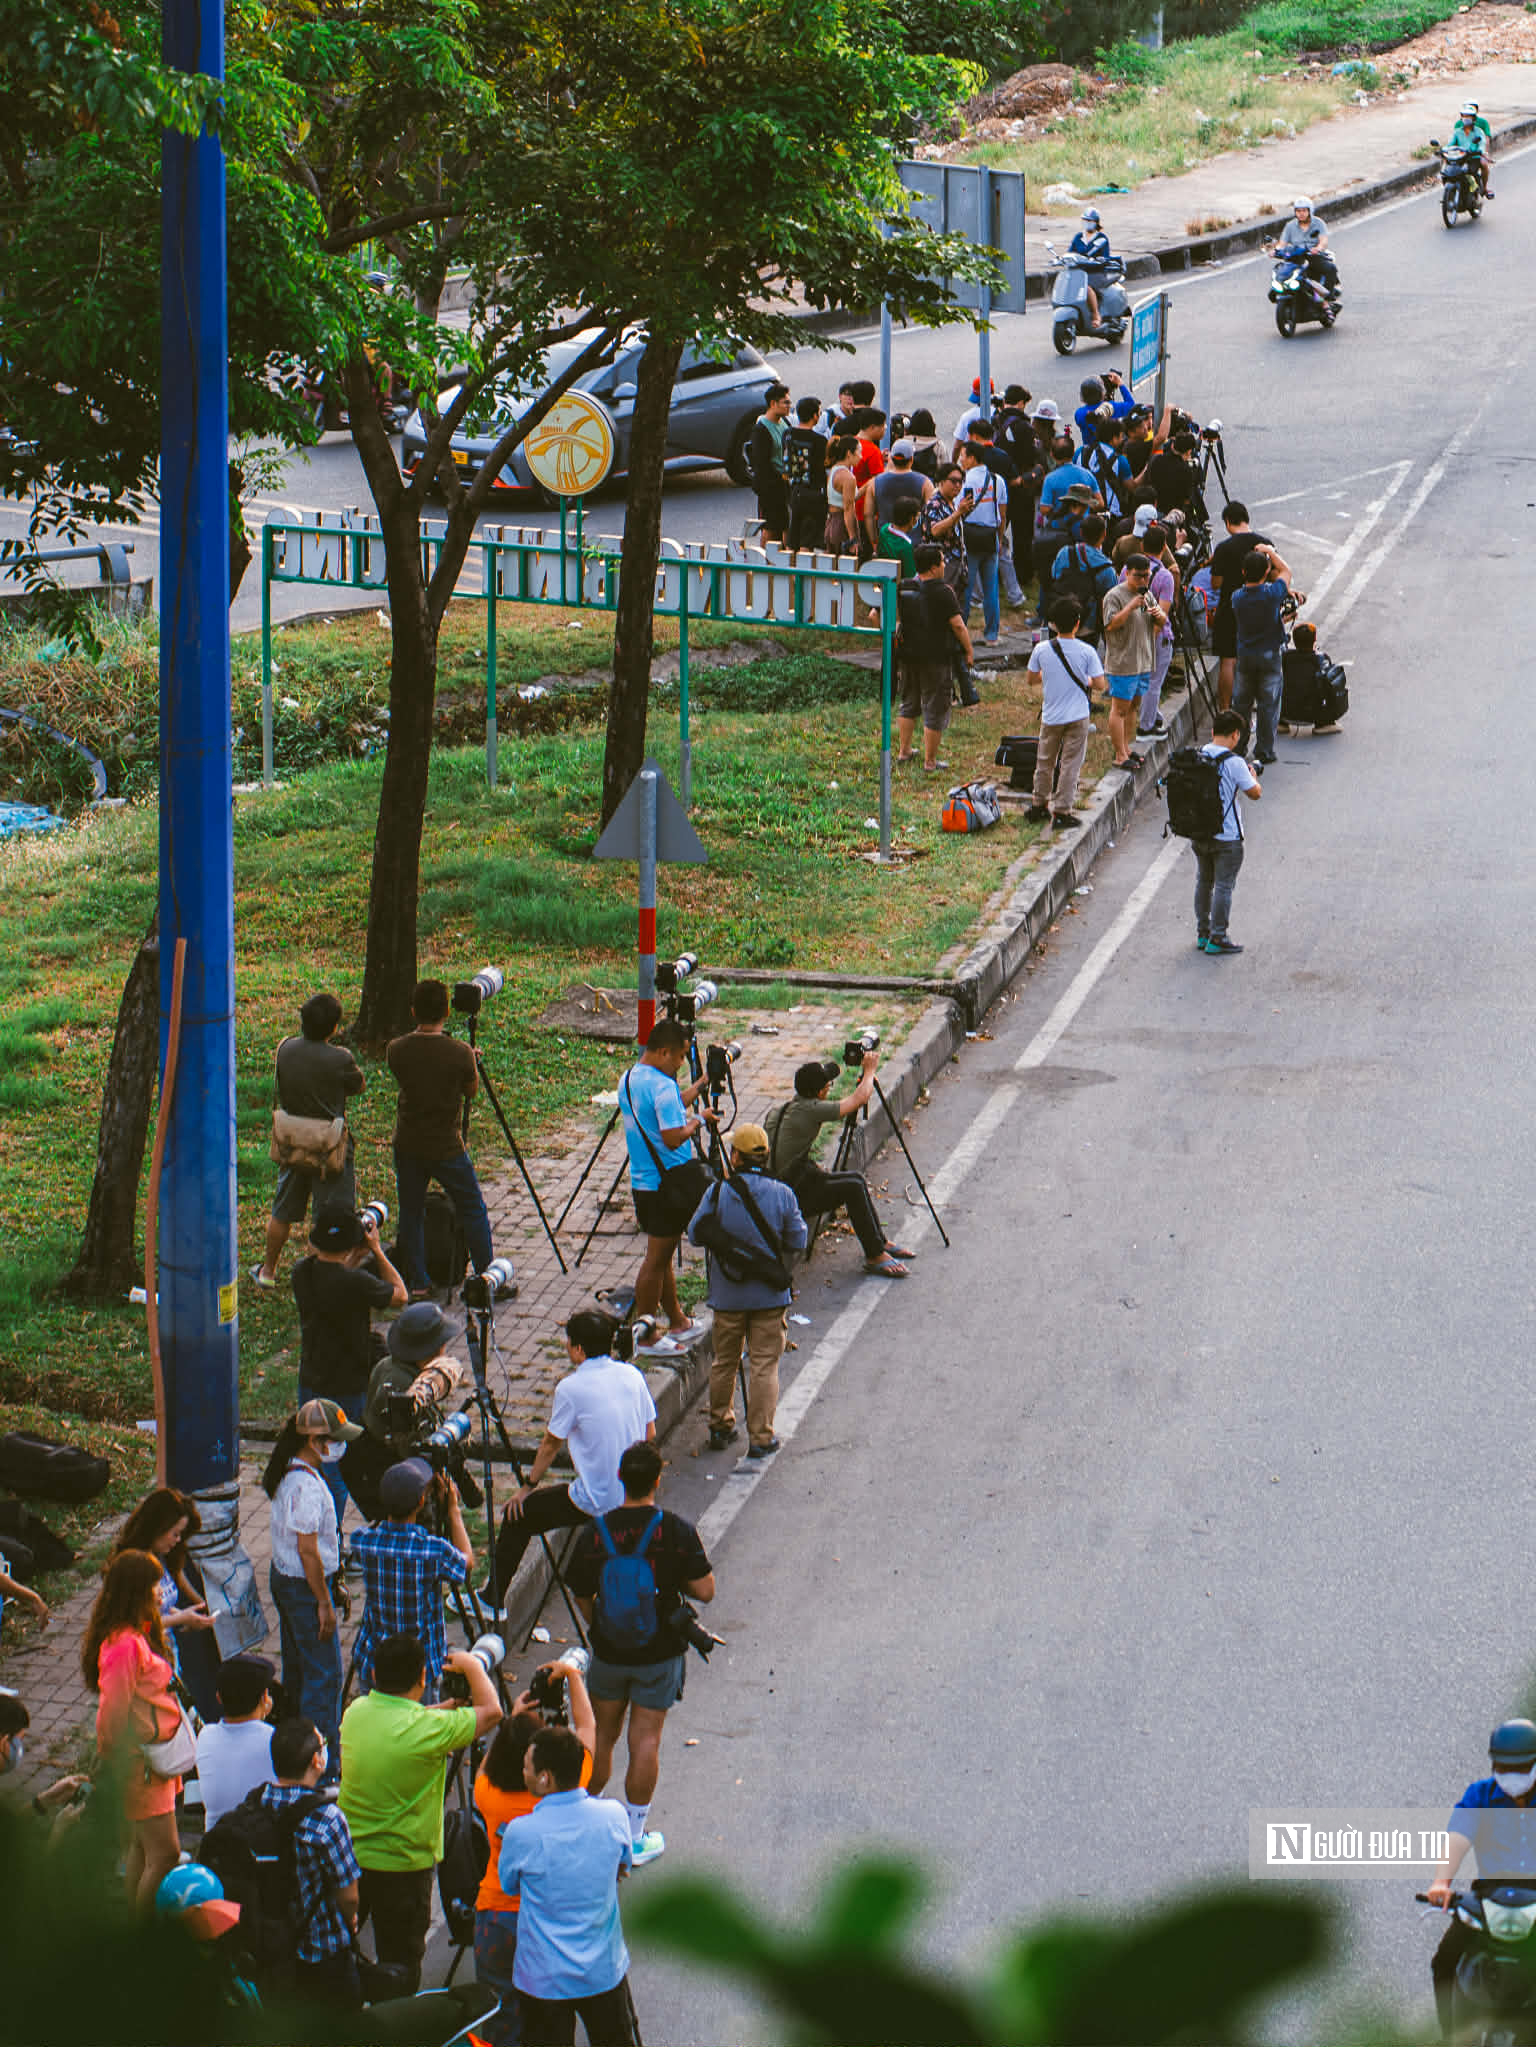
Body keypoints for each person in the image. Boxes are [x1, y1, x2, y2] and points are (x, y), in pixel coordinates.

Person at [565, 1442, 714, 1875]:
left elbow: (579, 1590)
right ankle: (633, 1836)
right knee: (645, 1740)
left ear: (619, 1478)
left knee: (602, 1736)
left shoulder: (596, 1532)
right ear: (657, 1480)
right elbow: (705, 1590)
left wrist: (599, 1626)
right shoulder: (676, 1530)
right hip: (660, 1655)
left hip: (609, 1655)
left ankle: (582, 1822)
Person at [339, 1630, 502, 1993]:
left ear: (375, 1676)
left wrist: (439, 1712)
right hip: (404, 1868)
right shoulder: (429, 1731)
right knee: (400, 1965)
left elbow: (400, 1724)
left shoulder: (356, 1712)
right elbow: (492, 1712)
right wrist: (474, 1666)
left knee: (342, 1957)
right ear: (423, 1677)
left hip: (352, 1862)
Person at [491, 1308, 657, 1601]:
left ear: (579, 1350)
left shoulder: (570, 1388)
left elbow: (551, 1444)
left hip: (598, 1498)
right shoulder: (632, 1374)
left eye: (568, 1342)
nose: (566, 1347)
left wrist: (528, 1486)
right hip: (635, 1493)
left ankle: (493, 1598)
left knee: (519, 1516)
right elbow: (650, 1435)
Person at [474, 1659, 598, 2047]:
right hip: (547, 1914)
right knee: (548, 2014)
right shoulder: (563, 1788)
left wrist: (512, 1723)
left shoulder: (487, 1794)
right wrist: (575, 1677)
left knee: (500, 2010)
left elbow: (486, 1766)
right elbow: (588, 1729)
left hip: (495, 1915)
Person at [498, 1725, 640, 2046]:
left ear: (545, 1777)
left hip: (544, 1978)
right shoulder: (614, 1815)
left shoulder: (522, 1832)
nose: (524, 1773)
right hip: (603, 1970)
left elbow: (509, 1885)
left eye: (527, 1767)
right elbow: (623, 1864)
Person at [688, 1125, 806, 1457]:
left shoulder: (717, 1193)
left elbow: (695, 1233)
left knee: (725, 1361)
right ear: (765, 1156)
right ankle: (761, 1437)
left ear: (735, 1156)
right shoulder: (783, 1194)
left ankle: (720, 1425)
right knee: (765, 1365)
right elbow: (798, 1240)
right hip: (770, 1295)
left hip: (727, 1298)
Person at [262, 1396, 363, 1768]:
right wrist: (323, 1601)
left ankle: (292, 1755)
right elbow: (308, 1552)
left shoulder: (291, 1470)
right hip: (304, 1588)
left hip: (287, 1581)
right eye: (334, 1439)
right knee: (325, 1679)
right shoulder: (305, 1487)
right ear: (314, 1441)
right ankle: (320, 1767)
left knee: (300, 1671)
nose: (339, 1446)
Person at [81, 1548, 186, 1906]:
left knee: (144, 1850)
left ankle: (134, 1920)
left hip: (150, 1762)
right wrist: (117, 1760)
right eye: (155, 1585)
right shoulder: (124, 1646)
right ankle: (141, 1937)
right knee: (166, 1855)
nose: (161, 1591)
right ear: (136, 1590)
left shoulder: (135, 1633)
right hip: (140, 1767)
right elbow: (112, 1714)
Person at [290, 1202, 406, 1517]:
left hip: (310, 1382)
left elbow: (336, 1273)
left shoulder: (301, 1273)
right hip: (348, 1386)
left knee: (316, 1459)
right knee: (340, 1470)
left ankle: (317, 1530)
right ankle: (333, 1537)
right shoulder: (356, 1284)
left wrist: (352, 1252)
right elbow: (400, 1294)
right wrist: (376, 1250)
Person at [1427, 1720, 1536, 2038]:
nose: (1512, 1774)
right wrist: (1440, 1883)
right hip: (1490, 1898)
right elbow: (1458, 1838)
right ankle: (1449, 2037)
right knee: (1443, 1962)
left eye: (1522, 1766)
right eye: (1503, 1766)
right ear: (1493, 1763)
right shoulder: (1480, 1796)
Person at [387, 977, 495, 1299]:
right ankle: (486, 1276)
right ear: (447, 1011)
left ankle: (418, 1281)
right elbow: (471, 1091)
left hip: (408, 1142)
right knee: (472, 1206)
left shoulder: (397, 1049)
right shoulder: (460, 1052)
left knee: (411, 1211)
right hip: (446, 1144)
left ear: (412, 1011)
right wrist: (471, 1065)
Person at [252, 992, 366, 1290]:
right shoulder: (341, 1058)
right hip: (329, 1146)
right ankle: (321, 1281)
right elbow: (358, 1085)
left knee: (282, 1210)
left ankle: (268, 1271)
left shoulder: (285, 1049)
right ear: (333, 1028)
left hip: (293, 1141)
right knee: (329, 1214)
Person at [764, 1058, 914, 1278]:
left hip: (782, 1185)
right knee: (851, 1189)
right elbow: (859, 1099)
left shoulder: (781, 1109)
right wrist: (870, 1070)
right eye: (827, 1087)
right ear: (819, 1093)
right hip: (788, 1198)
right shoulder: (811, 1110)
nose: (829, 1090)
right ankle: (874, 1255)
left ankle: (879, 1242)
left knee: (855, 1178)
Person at [617, 1019, 717, 1343]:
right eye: (679, 1058)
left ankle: (677, 1320)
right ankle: (646, 1336)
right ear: (663, 1052)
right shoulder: (663, 1085)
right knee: (655, 1261)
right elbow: (673, 1136)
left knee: (663, 1256)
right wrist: (699, 1120)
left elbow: (669, 1108)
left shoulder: (631, 1077)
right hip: (667, 1186)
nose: (680, 1064)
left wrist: (701, 1084)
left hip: (645, 1183)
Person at [257, 1716, 363, 2008]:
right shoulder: (327, 1819)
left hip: (273, 1948)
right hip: (322, 1952)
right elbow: (349, 1896)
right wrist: (350, 1918)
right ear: (317, 1761)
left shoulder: (257, 1802)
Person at [351, 1455, 474, 1697]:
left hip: (375, 1660)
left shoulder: (362, 1541)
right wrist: (453, 1510)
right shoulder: (433, 1551)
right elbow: (466, 1563)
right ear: (421, 1502)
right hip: (419, 1669)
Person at [112, 1488, 219, 1707]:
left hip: (167, 1655)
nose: (178, 1541)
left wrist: (186, 1615)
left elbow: (161, 1608)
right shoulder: (135, 1568)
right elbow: (140, 1623)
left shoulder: (160, 1556)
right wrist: (182, 1619)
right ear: (158, 1527)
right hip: (146, 1663)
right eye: (175, 1533)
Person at [1025, 595, 1103, 832]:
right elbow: (1100, 684)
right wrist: (1086, 680)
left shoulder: (1041, 649)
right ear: (1078, 623)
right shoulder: (1087, 651)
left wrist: (1048, 674)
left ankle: (1039, 804)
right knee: (1070, 764)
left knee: (1044, 762)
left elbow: (1031, 679)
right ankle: (1062, 811)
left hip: (1051, 716)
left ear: (1052, 624)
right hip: (1078, 716)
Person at [894, 544, 973, 774]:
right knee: (935, 706)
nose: (945, 564)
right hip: (936, 657)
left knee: (909, 702)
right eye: (942, 561)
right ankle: (930, 761)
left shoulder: (904, 587)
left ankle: (904, 751)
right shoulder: (943, 591)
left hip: (908, 655)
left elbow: (884, 616)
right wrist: (969, 650)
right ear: (933, 566)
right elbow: (958, 625)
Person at [1189, 708, 1261, 956]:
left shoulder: (1198, 756)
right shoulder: (1235, 763)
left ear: (1212, 732)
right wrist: (1252, 776)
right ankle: (1218, 937)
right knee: (1223, 886)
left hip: (1200, 834)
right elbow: (1255, 793)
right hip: (1227, 837)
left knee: (1204, 881)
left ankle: (1203, 933)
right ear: (1235, 735)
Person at [1207, 503, 1278, 710]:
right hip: (1259, 609)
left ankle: (1225, 709)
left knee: (1228, 660)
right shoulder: (1265, 544)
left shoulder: (1224, 548)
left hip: (1230, 609)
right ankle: (1253, 704)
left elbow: (1216, 583)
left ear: (1228, 522)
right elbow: (1275, 576)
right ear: (1247, 519)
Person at [194, 1653, 276, 1830]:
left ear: (219, 1698)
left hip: (217, 1844)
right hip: (262, 1844)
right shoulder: (274, 1739)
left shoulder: (206, 1736)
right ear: (264, 1699)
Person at [1230, 545, 1293, 767]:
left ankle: (1237, 746)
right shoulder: (1272, 594)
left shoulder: (1237, 597)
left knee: (1241, 703)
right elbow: (1286, 571)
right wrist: (1270, 552)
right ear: (1266, 572)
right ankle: (1264, 750)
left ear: (1243, 572)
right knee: (1268, 704)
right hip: (1270, 654)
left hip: (1246, 655)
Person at [1101, 555, 1165, 771]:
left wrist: (1159, 615)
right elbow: (1110, 624)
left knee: (1133, 707)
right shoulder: (1114, 596)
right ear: (1127, 573)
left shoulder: (1147, 595)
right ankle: (1119, 754)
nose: (1143, 581)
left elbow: (1162, 620)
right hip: (1123, 663)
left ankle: (1127, 748)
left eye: (1147, 576)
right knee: (1119, 709)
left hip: (1143, 661)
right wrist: (1130, 607)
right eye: (1139, 576)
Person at [957, 442, 1006, 646]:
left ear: (972, 458)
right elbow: (1002, 514)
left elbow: (957, 510)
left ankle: (962, 634)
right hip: (990, 536)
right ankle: (992, 635)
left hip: (969, 537)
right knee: (991, 588)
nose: (960, 459)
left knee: (966, 588)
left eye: (963, 456)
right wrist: (1000, 538)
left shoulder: (964, 480)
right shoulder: (997, 480)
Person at [1136, 521, 1180, 743]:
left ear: (1142, 546)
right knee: (1154, 683)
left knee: (1141, 680)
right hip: (1157, 636)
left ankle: (1153, 715)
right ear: (1164, 547)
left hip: (1133, 632)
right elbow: (1162, 614)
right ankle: (1146, 727)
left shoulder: (1128, 570)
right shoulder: (1165, 577)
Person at [1049, 511, 1114, 650]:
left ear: (1081, 532)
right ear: (1104, 535)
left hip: (1057, 622)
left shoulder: (1065, 552)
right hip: (1086, 628)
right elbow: (1108, 604)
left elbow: (1054, 576)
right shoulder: (1106, 568)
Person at [782, 395, 829, 553]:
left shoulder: (787, 435)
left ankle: (789, 572)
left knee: (793, 535)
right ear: (815, 415)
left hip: (794, 490)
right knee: (807, 540)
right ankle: (803, 574)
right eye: (819, 413)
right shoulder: (819, 441)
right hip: (814, 494)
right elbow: (824, 465)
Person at [749, 382, 791, 544]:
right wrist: (778, 479)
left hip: (784, 484)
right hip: (770, 486)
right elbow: (761, 463)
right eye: (785, 402)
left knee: (785, 525)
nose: (789, 406)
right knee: (770, 527)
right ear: (773, 404)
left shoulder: (784, 423)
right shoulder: (761, 430)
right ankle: (765, 563)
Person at [1276, 196, 1339, 299]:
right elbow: (1282, 243)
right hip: (1295, 257)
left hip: (1313, 255)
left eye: (1304, 211)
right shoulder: (1290, 226)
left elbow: (1323, 241)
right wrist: (1276, 250)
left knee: (1330, 268)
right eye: (1298, 211)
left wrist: (1318, 248)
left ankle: (1327, 299)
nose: (1301, 213)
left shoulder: (1318, 223)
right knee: (1281, 273)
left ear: (1310, 211)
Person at [1069, 205, 1112, 331]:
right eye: (1085, 221)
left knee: (1086, 288)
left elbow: (1105, 257)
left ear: (1096, 223)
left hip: (1096, 273)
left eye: (1090, 221)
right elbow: (1070, 252)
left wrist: (1099, 261)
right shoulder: (1078, 237)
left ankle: (1095, 315)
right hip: (1080, 272)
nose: (1087, 223)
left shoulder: (1102, 239)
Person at [823, 434, 861, 554]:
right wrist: (852, 539)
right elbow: (848, 509)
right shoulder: (848, 477)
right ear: (849, 453)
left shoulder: (833, 470)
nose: (861, 457)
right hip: (842, 526)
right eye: (859, 452)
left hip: (831, 523)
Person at [1450, 99, 1493, 196]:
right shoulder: (1458, 127)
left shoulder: (1481, 126)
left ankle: (1484, 188)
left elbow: (1484, 139)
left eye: (1469, 115)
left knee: (1484, 164)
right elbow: (1453, 141)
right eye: (1464, 115)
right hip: (1461, 154)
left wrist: (1484, 152)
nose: (1466, 118)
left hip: (1475, 154)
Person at [875, 492, 922, 581]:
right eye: (917, 516)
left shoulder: (884, 529)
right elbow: (911, 576)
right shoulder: (906, 546)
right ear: (912, 519)